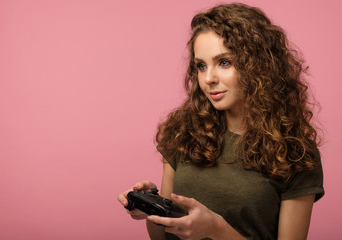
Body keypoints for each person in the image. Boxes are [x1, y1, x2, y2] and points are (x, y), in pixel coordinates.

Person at [118, 3, 324, 240]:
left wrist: (217, 230)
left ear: (259, 65)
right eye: (201, 66)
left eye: (224, 62)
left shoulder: (295, 153)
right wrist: (150, 208)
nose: (208, 79)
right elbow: (161, 236)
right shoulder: (182, 132)